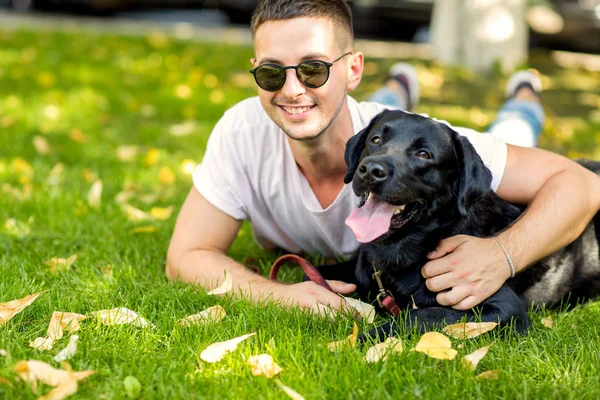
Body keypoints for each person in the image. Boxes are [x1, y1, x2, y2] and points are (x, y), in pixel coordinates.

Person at [166, 0, 600, 316]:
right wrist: (276, 294)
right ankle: (398, 84)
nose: (292, 88)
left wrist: (501, 253)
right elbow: (186, 256)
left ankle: (525, 92)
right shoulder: (241, 133)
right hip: (374, 123)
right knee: (340, 113)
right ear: (256, 72)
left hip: (435, 138)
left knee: (509, 131)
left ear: (353, 69)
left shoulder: (437, 143)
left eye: (314, 68)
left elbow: (583, 184)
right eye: (271, 72)